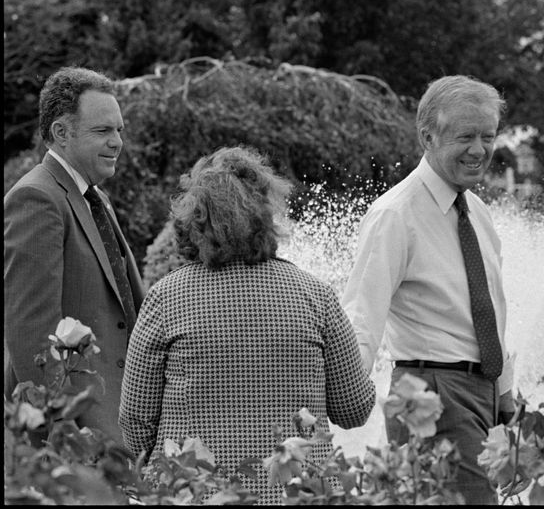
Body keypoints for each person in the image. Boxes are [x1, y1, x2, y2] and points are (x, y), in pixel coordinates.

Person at [118, 146, 375, 503]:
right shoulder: (316, 295)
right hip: (298, 493)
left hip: (194, 492)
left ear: (193, 220)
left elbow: (135, 421)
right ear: (268, 214)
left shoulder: (166, 298)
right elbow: (354, 409)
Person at [342, 75, 516, 504]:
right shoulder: (394, 215)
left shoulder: (477, 211)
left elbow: (490, 308)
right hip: (429, 394)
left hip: (482, 392)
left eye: (487, 136)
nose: (479, 150)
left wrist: (505, 392)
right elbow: (362, 317)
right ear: (427, 137)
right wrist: (340, 400)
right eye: (465, 137)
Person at [5, 66, 145, 445]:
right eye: (103, 131)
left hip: (117, 426)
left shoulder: (96, 199)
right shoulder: (35, 199)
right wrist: (67, 439)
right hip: (74, 438)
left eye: (119, 130)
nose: (117, 142)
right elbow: (32, 337)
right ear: (60, 133)